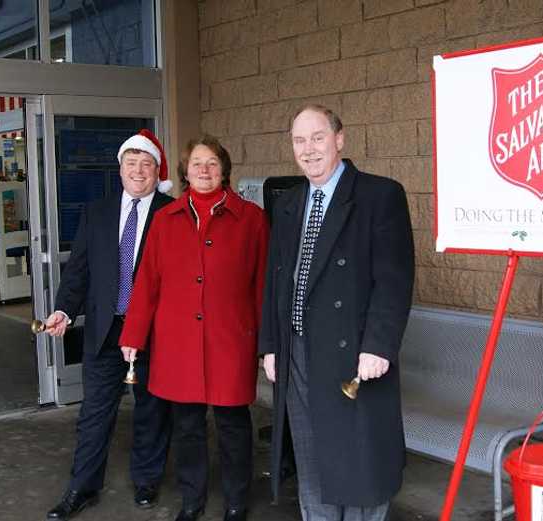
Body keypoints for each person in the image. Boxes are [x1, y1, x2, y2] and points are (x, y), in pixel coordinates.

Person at [259, 104, 415, 521]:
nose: (308, 149)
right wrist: (271, 345)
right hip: (296, 353)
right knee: (312, 462)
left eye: (317, 137)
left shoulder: (380, 195)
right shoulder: (289, 203)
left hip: (355, 356)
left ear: (339, 139)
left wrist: (380, 345)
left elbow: (394, 279)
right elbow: (277, 282)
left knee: (361, 463)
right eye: (298, 140)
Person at [118, 136, 269, 521]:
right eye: (197, 163)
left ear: (225, 169)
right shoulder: (165, 220)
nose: (204, 170)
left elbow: (263, 285)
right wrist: (133, 335)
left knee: (233, 426)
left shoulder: (251, 218)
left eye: (213, 163)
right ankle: (192, 500)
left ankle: (236, 501)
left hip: (230, 340)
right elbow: (147, 283)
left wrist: (266, 342)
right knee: (187, 426)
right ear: (185, 171)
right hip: (178, 344)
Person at [44, 129, 174, 520]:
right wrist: (65, 310)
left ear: (156, 171)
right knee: (94, 415)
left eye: (146, 164)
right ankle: (81, 488)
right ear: (119, 169)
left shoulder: (172, 213)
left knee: (153, 411)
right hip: (105, 331)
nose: (138, 171)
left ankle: (148, 480)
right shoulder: (96, 212)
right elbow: (79, 271)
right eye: (131, 163)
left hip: (153, 333)